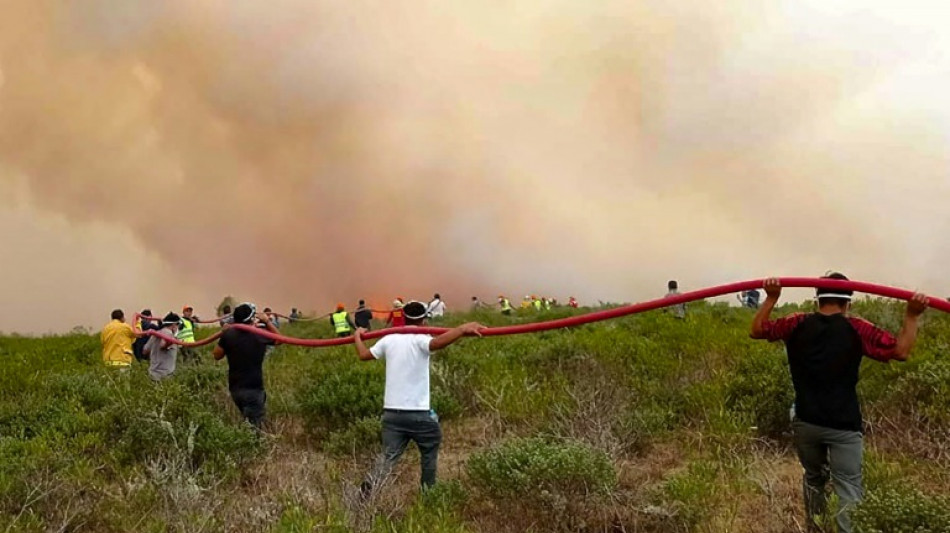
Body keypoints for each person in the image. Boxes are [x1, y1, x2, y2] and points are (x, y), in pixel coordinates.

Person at [749, 273, 928, 533]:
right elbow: (900, 350)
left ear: (817, 300)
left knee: (814, 479)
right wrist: (912, 316)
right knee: (848, 487)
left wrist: (771, 298)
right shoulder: (857, 328)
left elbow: (757, 330)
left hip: (806, 421)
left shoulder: (797, 322)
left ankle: (816, 528)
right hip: (844, 426)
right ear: (847, 304)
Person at [352, 301, 485, 495]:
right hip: (419, 415)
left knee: (387, 458)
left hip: (392, 415)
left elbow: (363, 354)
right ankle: (427, 495)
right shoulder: (422, 338)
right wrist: (462, 329)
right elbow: (437, 343)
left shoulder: (389, 339)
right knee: (429, 455)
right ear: (423, 320)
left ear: (402, 317)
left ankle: (366, 494)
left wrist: (357, 336)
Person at [212, 303, 279, 429]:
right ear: (251, 319)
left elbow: (216, 355)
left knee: (248, 420)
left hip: (235, 390)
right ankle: (250, 445)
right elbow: (280, 339)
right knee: (255, 428)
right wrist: (267, 322)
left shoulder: (229, 335)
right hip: (253, 389)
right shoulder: (259, 334)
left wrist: (223, 334)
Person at [144, 313, 181, 381]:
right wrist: (170, 343)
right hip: (165, 377)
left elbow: (145, 350)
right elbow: (162, 345)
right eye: (178, 325)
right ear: (174, 325)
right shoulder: (169, 335)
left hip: (153, 375)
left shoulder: (155, 334)